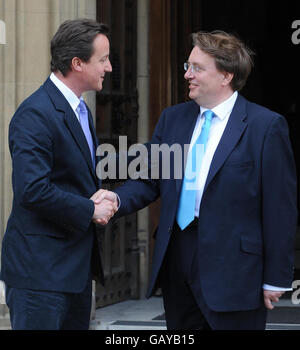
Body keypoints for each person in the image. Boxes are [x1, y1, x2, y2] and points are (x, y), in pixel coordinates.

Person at [94, 31, 298, 330]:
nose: (188, 74)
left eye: (197, 68)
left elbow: (280, 208)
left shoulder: (265, 126)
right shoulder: (173, 119)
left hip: (236, 272)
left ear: (226, 75)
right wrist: (117, 199)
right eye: (187, 66)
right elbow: (151, 178)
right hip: (178, 262)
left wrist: (276, 277)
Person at [0, 19, 116, 330]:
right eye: (102, 59)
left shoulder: (81, 110)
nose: (109, 67)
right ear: (78, 63)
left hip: (73, 272)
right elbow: (32, 189)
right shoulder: (35, 113)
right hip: (40, 276)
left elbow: (73, 178)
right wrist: (90, 209)